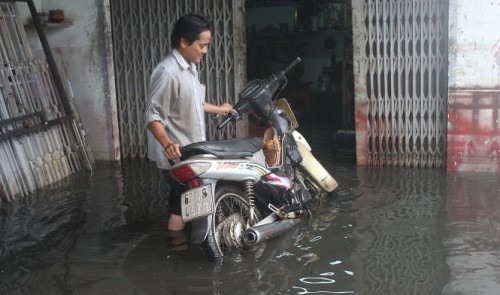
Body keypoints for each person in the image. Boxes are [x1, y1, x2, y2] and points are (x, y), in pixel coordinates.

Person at [144, 13, 233, 232]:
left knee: (191, 207)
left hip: (192, 152)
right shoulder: (168, 73)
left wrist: (220, 109)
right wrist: (168, 145)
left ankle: (187, 247)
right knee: (180, 210)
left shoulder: (189, 67)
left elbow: (193, 103)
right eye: (202, 45)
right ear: (184, 42)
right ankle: (176, 255)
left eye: (207, 45)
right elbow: (152, 116)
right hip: (179, 156)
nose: (205, 51)